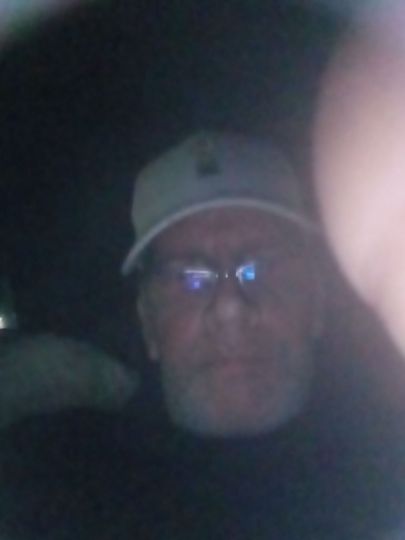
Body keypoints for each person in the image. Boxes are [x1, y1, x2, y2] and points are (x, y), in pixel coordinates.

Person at [1, 131, 404, 540]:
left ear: (315, 302)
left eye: (260, 268)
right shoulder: (54, 492)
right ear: (148, 322)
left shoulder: (390, 464)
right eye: (191, 278)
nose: (230, 308)